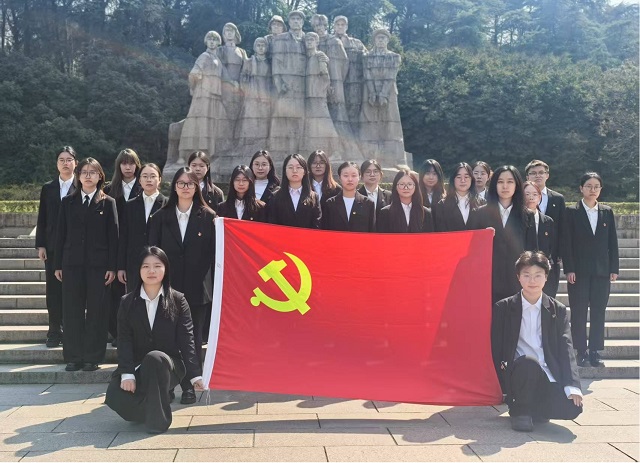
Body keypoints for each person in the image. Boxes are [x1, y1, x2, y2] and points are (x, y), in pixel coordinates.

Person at [105, 246, 203, 434]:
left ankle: (158, 422)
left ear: (165, 269)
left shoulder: (178, 300)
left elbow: (187, 340)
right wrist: (127, 373)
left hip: (169, 365)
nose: (151, 271)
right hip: (138, 365)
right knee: (115, 396)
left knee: (155, 358)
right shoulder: (127, 302)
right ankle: (149, 407)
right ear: (139, 270)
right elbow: (124, 340)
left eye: (157, 266)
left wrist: (194, 375)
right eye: (146, 266)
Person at [491, 251, 582, 432]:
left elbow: (566, 347)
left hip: (546, 373)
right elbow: (495, 347)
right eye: (526, 275)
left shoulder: (558, 310)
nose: (532, 280)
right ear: (518, 277)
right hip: (518, 372)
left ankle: (533, 407)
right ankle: (520, 411)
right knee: (528, 363)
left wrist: (572, 385)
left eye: (538, 275)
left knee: (572, 408)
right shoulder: (504, 307)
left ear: (546, 277)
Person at [148, 168, 216, 404]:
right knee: (165, 337)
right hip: (168, 287)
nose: (185, 187)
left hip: (198, 288)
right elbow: (152, 253)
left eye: (190, 183)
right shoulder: (160, 216)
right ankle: (166, 385)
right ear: (174, 186)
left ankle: (189, 385)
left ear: (197, 187)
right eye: (181, 183)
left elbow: (214, 254)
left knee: (193, 339)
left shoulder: (208, 217)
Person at [54, 158, 118, 372]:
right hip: (71, 265)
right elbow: (60, 235)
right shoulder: (67, 202)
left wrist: (112, 266)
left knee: (97, 312)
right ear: (78, 175)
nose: (88, 176)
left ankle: (92, 357)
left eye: (93, 172)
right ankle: (73, 357)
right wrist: (58, 264)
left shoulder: (108, 203)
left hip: (99, 267)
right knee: (72, 311)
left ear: (100, 176)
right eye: (84, 172)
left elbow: (114, 237)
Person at [563, 172, 619, 368]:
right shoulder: (571, 212)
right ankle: (580, 350)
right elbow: (567, 243)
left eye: (596, 186)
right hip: (578, 271)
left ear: (600, 189)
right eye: (588, 186)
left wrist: (614, 268)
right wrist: (569, 268)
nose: (592, 189)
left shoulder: (607, 212)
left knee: (598, 311)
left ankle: (595, 350)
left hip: (602, 271)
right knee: (578, 311)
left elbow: (612, 242)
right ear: (581, 188)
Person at [36, 146, 77, 348]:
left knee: (74, 291)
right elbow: (42, 218)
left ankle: (71, 330)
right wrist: (41, 244)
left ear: (75, 163)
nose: (65, 163)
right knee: (53, 291)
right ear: (57, 163)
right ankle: (54, 331)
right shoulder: (48, 188)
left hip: (75, 248)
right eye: (62, 159)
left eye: (69, 159)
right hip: (52, 248)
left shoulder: (82, 186)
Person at [477, 165, 534, 304]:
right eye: (500, 182)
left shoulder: (527, 215)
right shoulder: (480, 213)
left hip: (517, 279)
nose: (505, 186)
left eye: (510, 182)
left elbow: (532, 249)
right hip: (489, 278)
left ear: (517, 185)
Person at [104, 148, 143, 346]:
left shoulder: (144, 187)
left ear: (137, 165)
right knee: (116, 294)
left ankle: (138, 332)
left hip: (138, 248)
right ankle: (118, 333)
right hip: (113, 247)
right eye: (124, 163)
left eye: (131, 163)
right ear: (118, 166)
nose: (128, 167)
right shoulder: (109, 190)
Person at [117, 163, 167, 293]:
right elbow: (124, 237)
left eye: (153, 176)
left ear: (159, 179)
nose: (149, 179)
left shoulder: (167, 205)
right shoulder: (130, 205)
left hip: (159, 263)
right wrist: (121, 266)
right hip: (134, 262)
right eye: (145, 176)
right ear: (139, 180)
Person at [178, 31, 225, 162]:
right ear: (206, 41)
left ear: (218, 42)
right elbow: (193, 74)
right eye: (209, 39)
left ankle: (206, 153)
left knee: (209, 124)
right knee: (196, 121)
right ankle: (184, 154)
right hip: (203, 93)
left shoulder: (217, 59)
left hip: (214, 94)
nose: (212, 41)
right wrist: (193, 88)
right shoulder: (204, 56)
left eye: (215, 39)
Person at [525, 160, 566, 301]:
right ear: (527, 177)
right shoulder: (519, 200)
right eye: (533, 173)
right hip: (526, 259)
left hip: (550, 258)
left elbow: (562, 229)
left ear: (547, 175)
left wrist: (558, 255)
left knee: (548, 299)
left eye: (541, 172)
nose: (538, 176)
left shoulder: (558, 199)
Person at [523, 181, 559, 298]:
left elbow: (552, 247)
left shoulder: (548, 221)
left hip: (543, 268)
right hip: (524, 268)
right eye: (527, 194)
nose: (531, 197)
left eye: (534, 194)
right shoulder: (517, 218)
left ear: (540, 197)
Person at [267, 154, 321, 229]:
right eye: (290, 167)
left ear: (305, 171)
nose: (294, 171)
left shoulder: (313, 197)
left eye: (298, 167)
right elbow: (272, 224)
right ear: (285, 171)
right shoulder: (275, 197)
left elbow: (316, 225)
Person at [376, 168, 434, 233]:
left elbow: (429, 237)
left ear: (415, 187)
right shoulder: (385, 213)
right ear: (396, 187)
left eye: (409, 184)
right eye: (402, 184)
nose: (406, 188)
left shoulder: (425, 213)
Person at [321, 161, 374, 232]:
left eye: (354, 176)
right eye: (346, 176)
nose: (350, 179)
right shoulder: (330, 203)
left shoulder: (368, 204)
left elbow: (372, 231)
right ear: (339, 178)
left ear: (359, 177)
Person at [434, 162, 484, 232]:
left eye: (466, 177)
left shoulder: (482, 202)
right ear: (453, 180)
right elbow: (440, 231)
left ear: (471, 179)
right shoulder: (442, 205)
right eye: (458, 177)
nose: (463, 180)